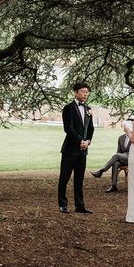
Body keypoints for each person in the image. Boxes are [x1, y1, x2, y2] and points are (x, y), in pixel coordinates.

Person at [58, 81, 94, 214]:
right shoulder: (68, 108)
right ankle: (62, 204)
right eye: (83, 92)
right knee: (64, 178)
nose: (85, 94)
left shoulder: (88, 109)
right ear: (76, 92)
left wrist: (88, 141)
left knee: (79, 179)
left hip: (83, 150)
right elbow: (68, 128)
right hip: (70, 150)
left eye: (87, 92)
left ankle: (80, 206)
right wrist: (80, 140)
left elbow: (91, 128)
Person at [91, 119, 134, 192]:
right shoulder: (121, 138)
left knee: (117, 156)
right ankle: (114, 186)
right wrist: (120, 156)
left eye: (125, 126)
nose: (124, 127)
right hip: (123, 158)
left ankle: (101, 171)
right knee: (115, 163)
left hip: (132, 158)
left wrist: (119, 156)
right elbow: (119, 152)